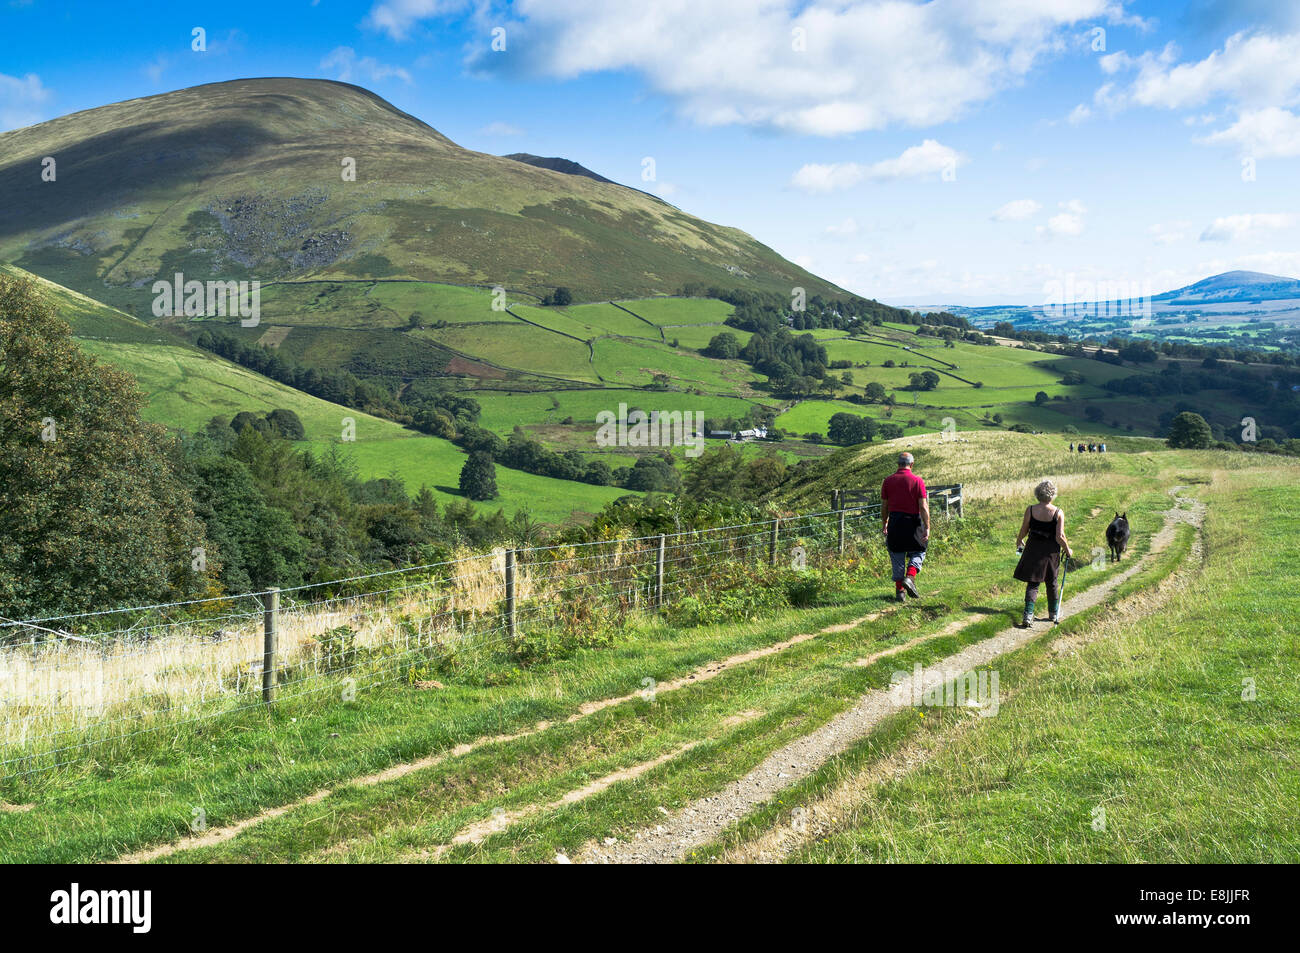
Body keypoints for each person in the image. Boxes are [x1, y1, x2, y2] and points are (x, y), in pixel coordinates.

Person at [1013, 480, 1074, 626]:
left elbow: (1024, 529)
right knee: (1051, 581)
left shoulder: (1031, 510)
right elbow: (1060, 536)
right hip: (1050, 552)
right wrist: (1068, 550)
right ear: (1052, 495)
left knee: (1033, 583)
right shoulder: (1058, 512)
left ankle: (1028, 615)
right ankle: (1053, 613)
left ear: (1037, 494)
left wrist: (1019, 540)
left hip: (1032, 548)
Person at [881, 451, 930, 602]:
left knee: (897, 554)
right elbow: (923, 506)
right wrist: (927, 526)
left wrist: (885, 523)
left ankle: (900, 592)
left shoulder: (888, 481)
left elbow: (884, 506)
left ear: (898, 464)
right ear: (912, 464)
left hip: (895, 522)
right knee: (919, 550)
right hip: (914, 523)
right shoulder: (917, 481)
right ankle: (910, 577)